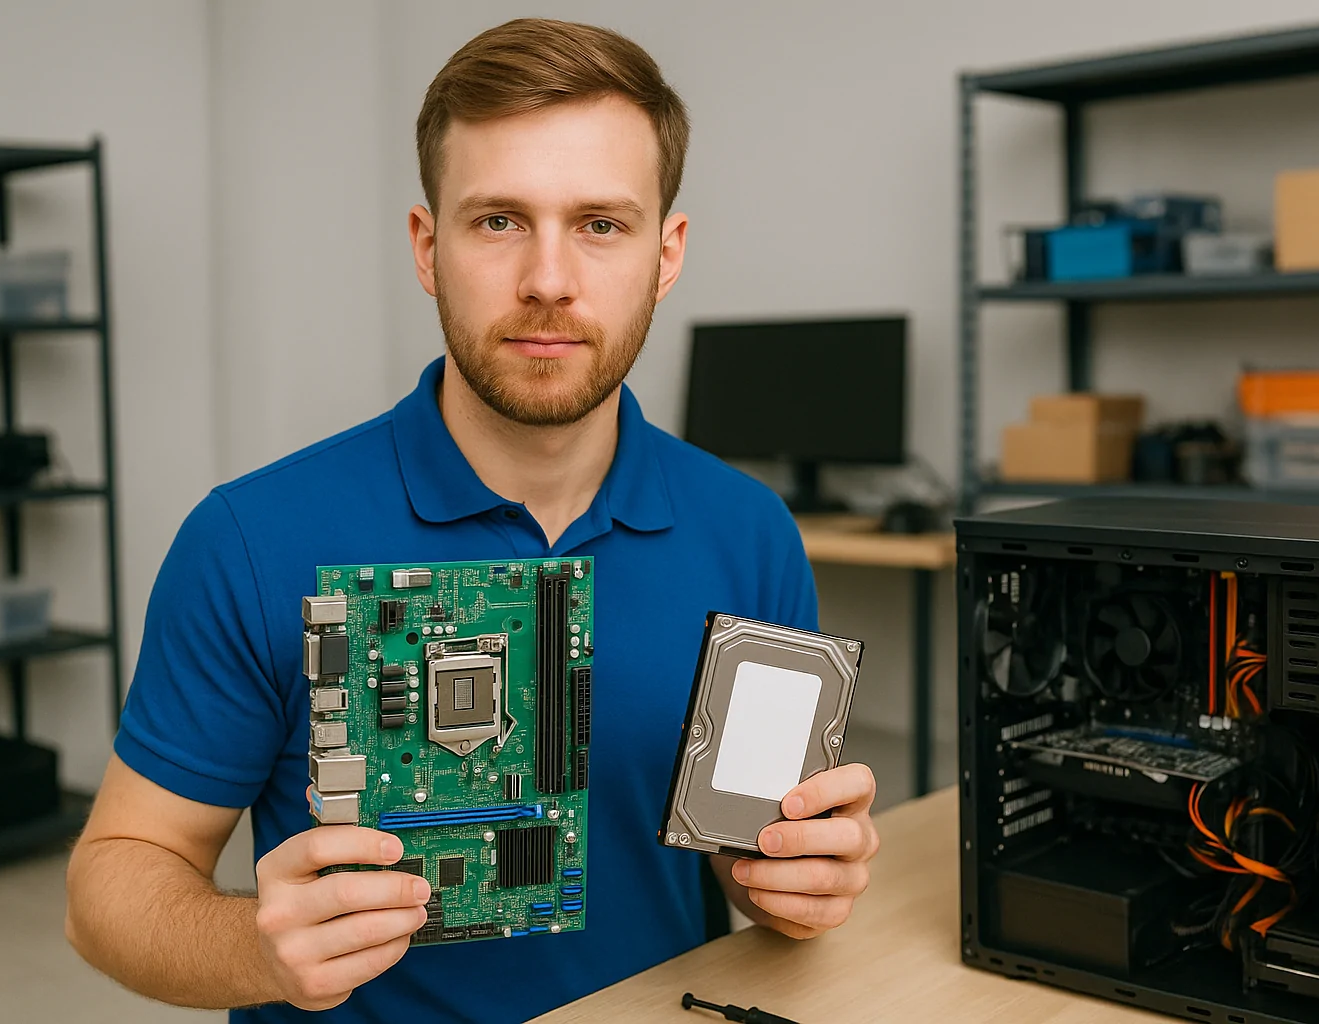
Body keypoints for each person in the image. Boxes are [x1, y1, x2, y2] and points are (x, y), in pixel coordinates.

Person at [63, 18, 880, 1023]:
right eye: (499, 220)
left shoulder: (750, 531)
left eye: (601, 224)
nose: (547, 278)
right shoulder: (250, 539)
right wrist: (254, 948)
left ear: (666, 254)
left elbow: (764, 866)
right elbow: (111, 883)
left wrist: (797, 883)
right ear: (427, 245)